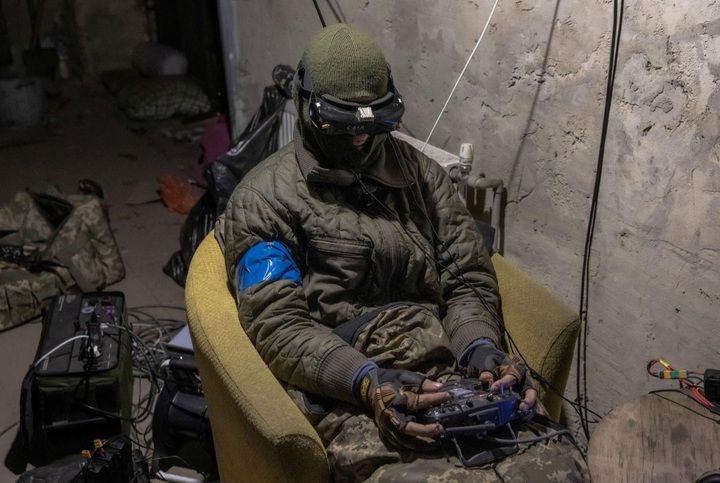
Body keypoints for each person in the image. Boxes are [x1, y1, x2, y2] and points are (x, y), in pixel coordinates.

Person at [217, 23, 589, 482]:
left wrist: (479, 347)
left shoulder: (423, 177)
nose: (359, 140)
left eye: (372, 126)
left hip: (447, 365)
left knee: (559, 467)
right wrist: (365, 380)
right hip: (348, 386)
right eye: (343, 127)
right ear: (305, 104)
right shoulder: (262, 200)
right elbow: (279, 324)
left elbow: (467, 278)